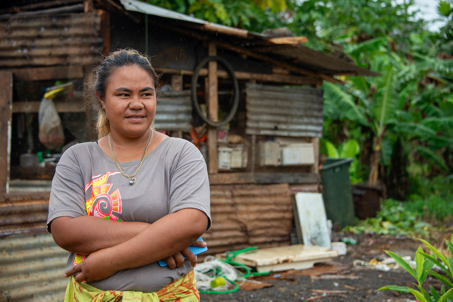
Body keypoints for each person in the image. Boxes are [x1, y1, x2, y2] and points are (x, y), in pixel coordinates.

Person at [47, 49, 211, 301]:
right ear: (101, 98)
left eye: (146, 94)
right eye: (124, 94)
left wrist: (110, 261)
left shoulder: (181, 154)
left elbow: (191, 223)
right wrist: (163, 238)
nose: (137, 103)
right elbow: (66, 230)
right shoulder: (77, 159)